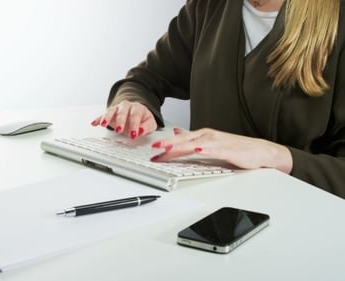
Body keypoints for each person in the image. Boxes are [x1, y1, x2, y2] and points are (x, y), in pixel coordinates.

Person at [91, 0, 345, 199]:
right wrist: (135, 105)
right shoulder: (208, 6)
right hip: (204, 205)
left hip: (299, 218)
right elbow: (144, 79)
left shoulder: (337, 19)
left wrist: (274, 155)